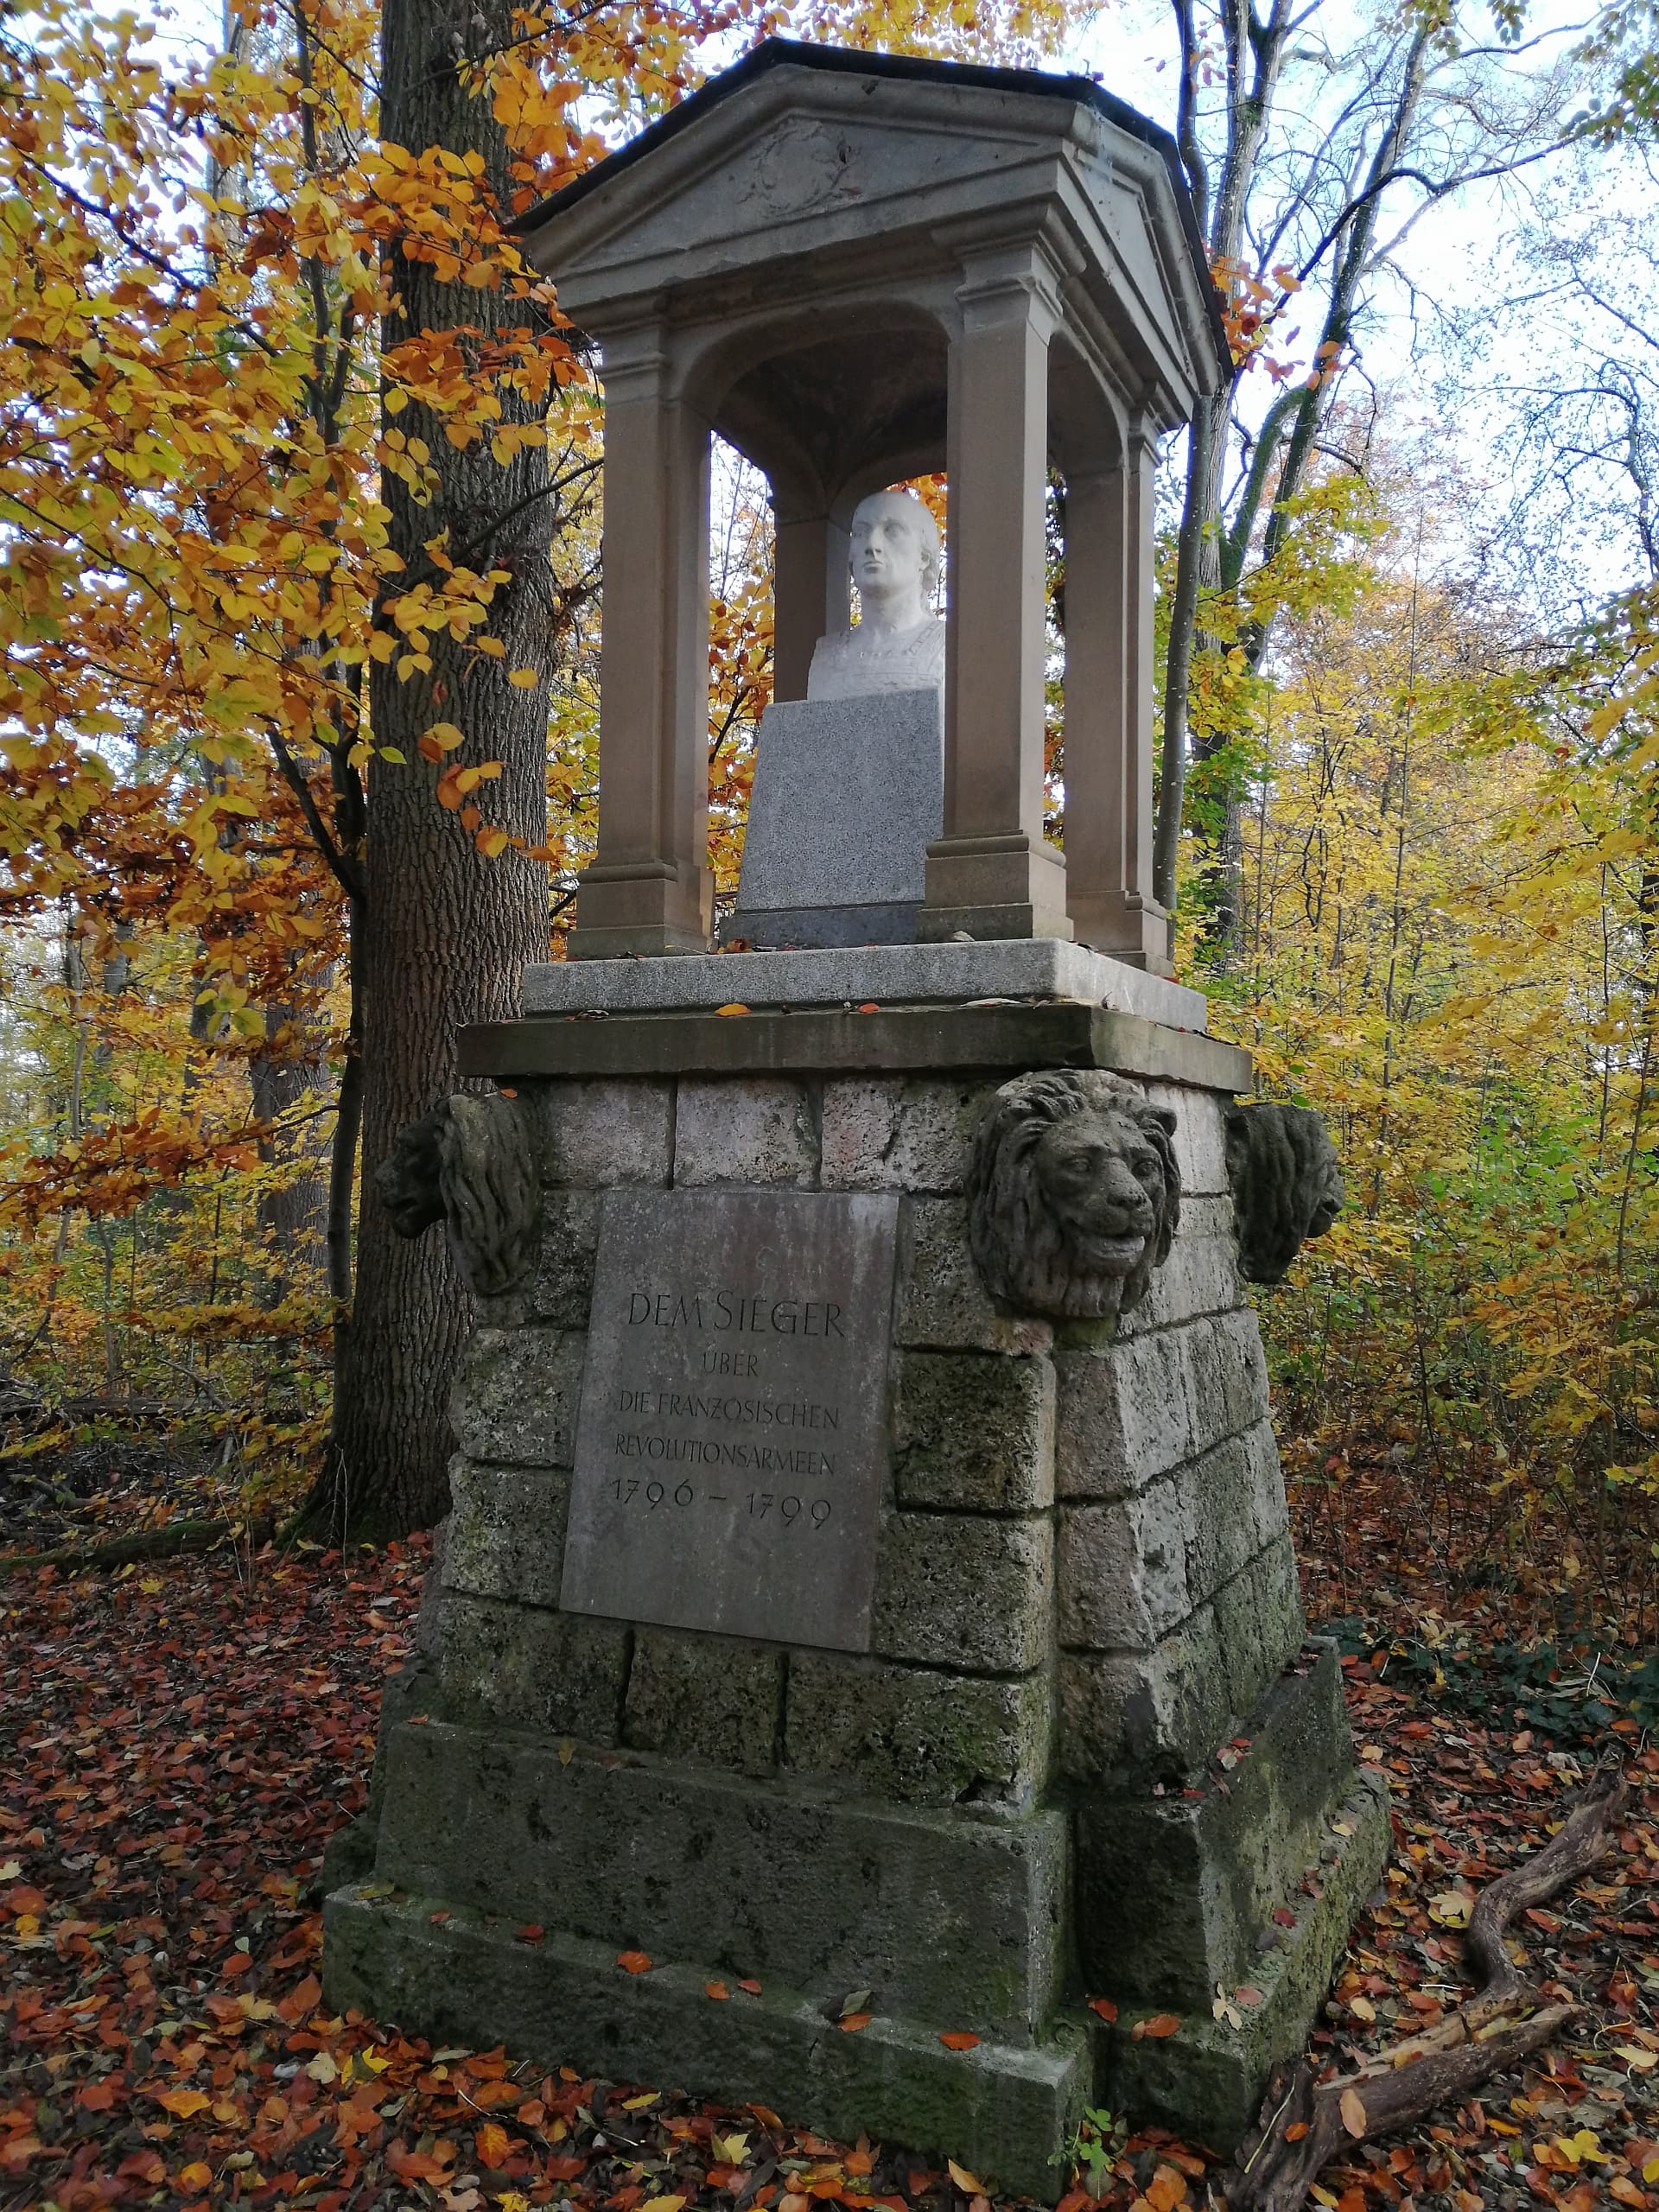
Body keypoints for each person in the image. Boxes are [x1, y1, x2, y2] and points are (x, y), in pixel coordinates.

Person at [805, 488, 945, 702]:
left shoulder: (949, 647)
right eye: (861, 533)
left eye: (892, 531)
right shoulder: (826, 656)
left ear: (924, 556)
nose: (872, 546)